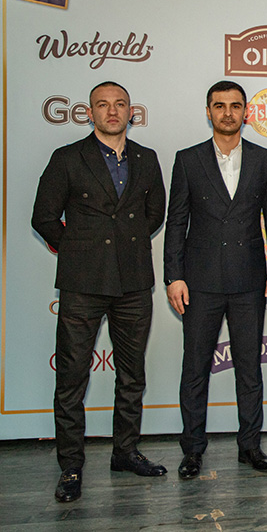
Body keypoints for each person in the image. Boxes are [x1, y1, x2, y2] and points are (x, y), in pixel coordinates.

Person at [31, 81, 167, 502]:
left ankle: (125, 451)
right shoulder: (67, 158)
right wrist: (79, 249)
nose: (112, 111)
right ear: (89, 113)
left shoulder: (147, 158)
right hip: (82, 283)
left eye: (120, 104)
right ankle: (71, 465)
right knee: (72, 377)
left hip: (134, 283)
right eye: (103, 105)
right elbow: (44, 217)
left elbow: (155, 213)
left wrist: (124, 244)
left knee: (132, 375)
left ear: (131, 112)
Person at [164, 80, 267, 479]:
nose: (227, 112)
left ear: (246, 112)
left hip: (249, 281)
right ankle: (192, 449)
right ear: (209, 112)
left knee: (249, 369)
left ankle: (250, 446)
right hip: (199, 282)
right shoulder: (187, 160)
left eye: (235, 106)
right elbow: (176, 222)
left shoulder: (263, 158)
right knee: (195, 369)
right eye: (220, 105)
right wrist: (173, 276)